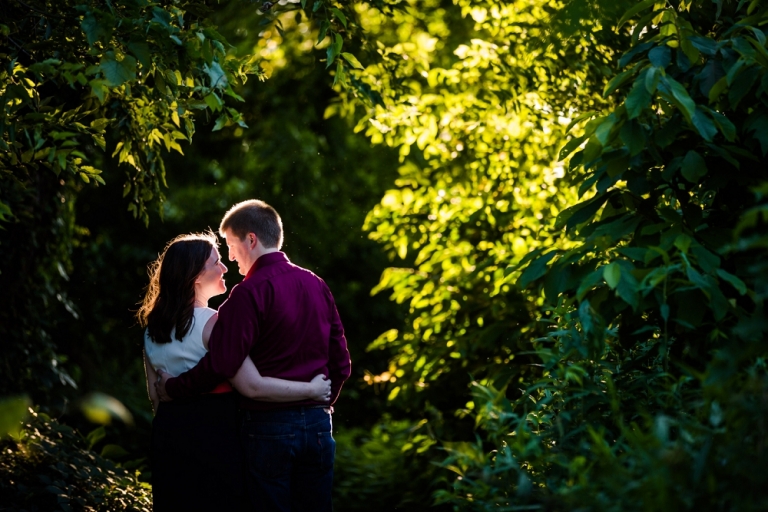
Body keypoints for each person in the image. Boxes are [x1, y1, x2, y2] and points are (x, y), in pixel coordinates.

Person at [156, 200, 351, 512]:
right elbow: (341, 363)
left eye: (231, 245)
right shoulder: (317, 284)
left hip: (268, 427)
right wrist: (322, 403)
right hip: (317, 426)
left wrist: (175, 388)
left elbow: (222, 362)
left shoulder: (247, 294)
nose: (231, 257)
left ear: (251, 239)